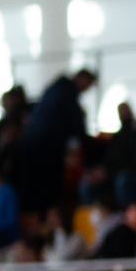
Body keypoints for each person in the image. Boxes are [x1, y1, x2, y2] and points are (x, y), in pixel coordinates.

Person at [19, 69, 96, 212]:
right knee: (47, 187)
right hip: (46, 147)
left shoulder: (57, 88)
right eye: (88, 85)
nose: (87, 89)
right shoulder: (66, 94)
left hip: (36, 143)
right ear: (82, 79)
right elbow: (77, 125)